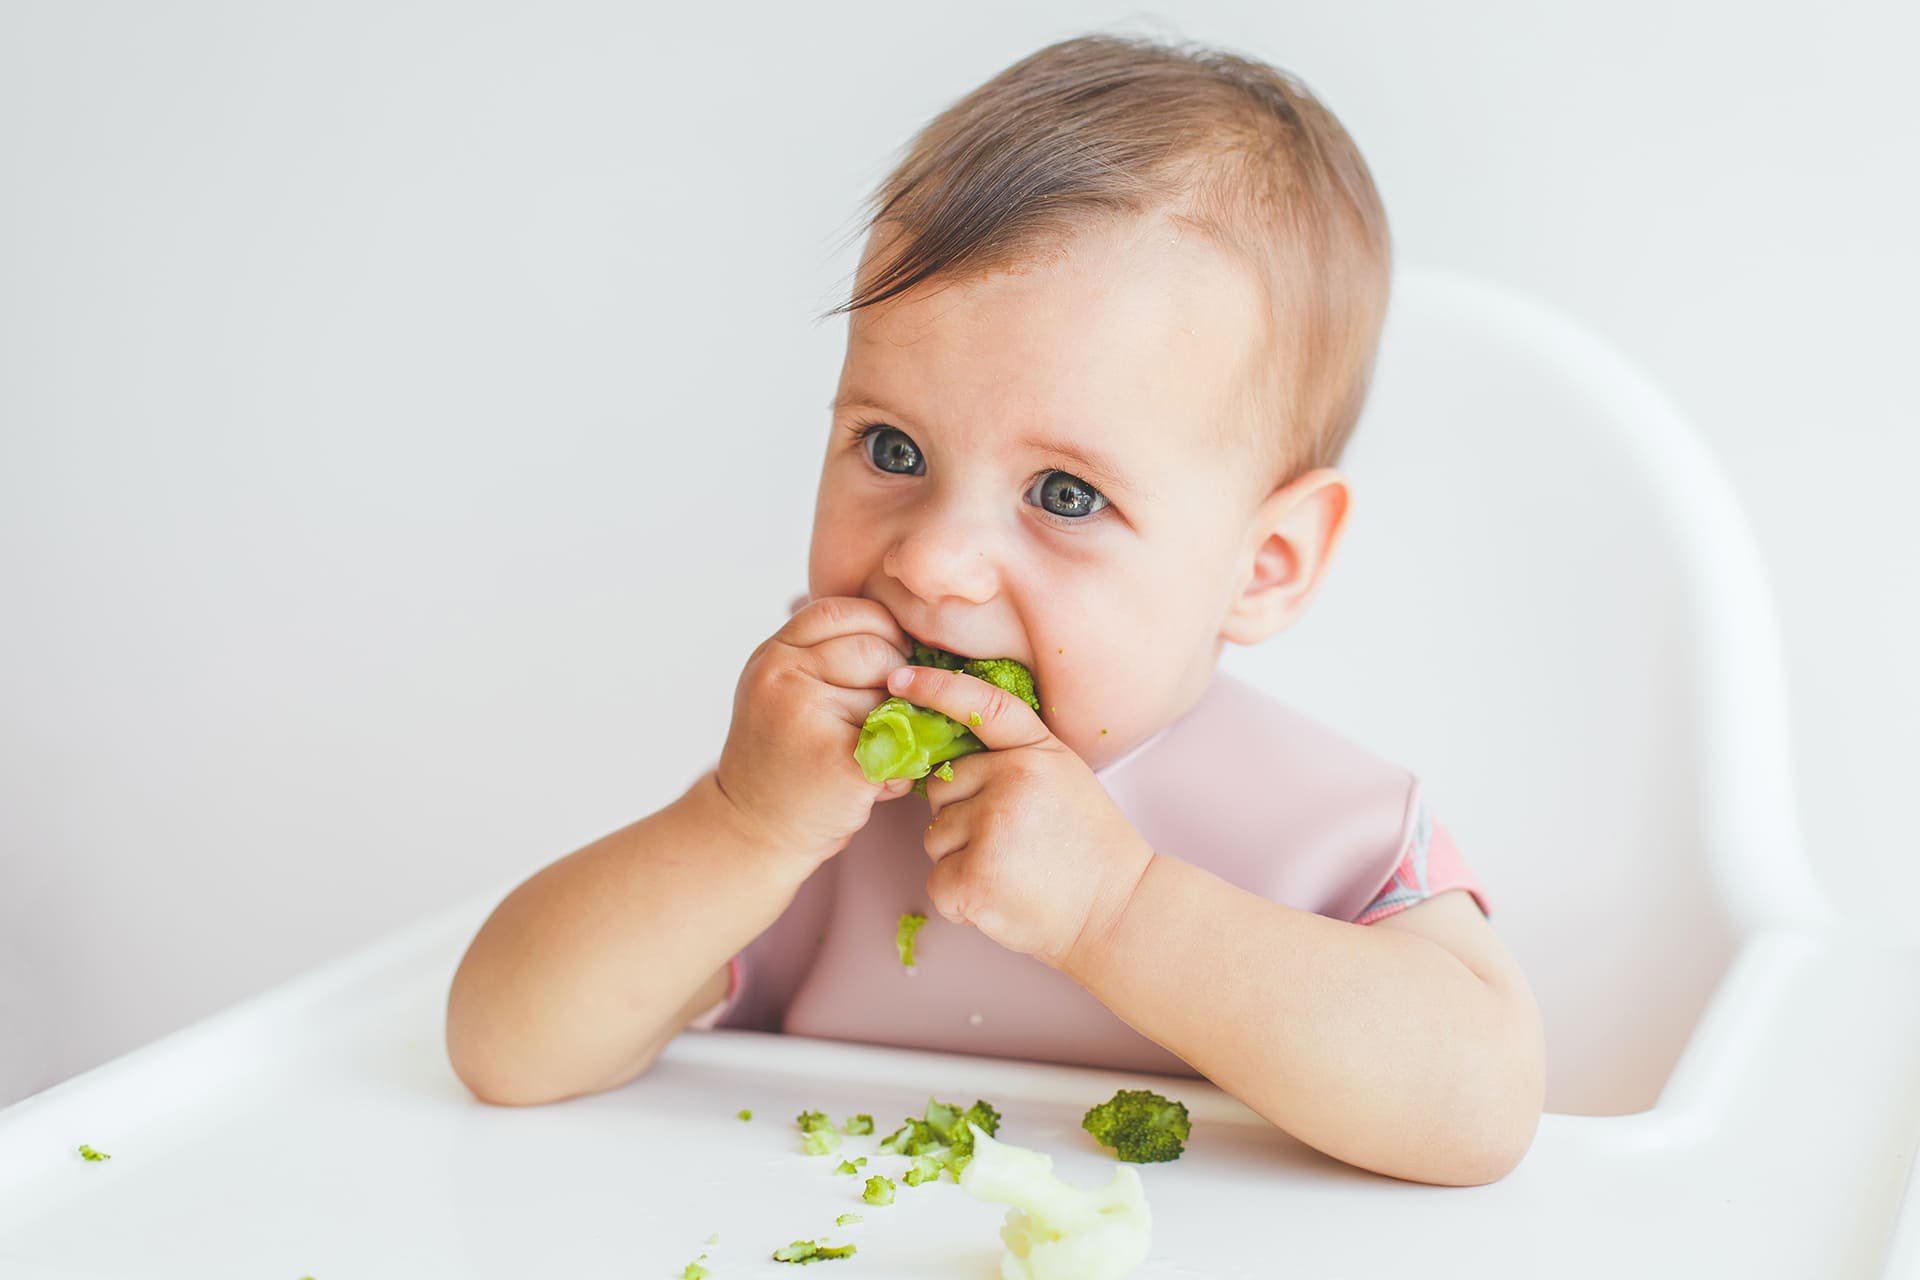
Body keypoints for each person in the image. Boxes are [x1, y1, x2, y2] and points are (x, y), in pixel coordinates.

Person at [446, 31, 1544, 1187]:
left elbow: (1481, 1109)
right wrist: (741, 824)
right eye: (892, 446)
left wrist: (1115, 909)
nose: (934, 562)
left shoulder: (1325, 833)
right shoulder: (812, 806)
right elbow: (504, 1047)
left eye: (1065, 494)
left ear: (1263, 563)